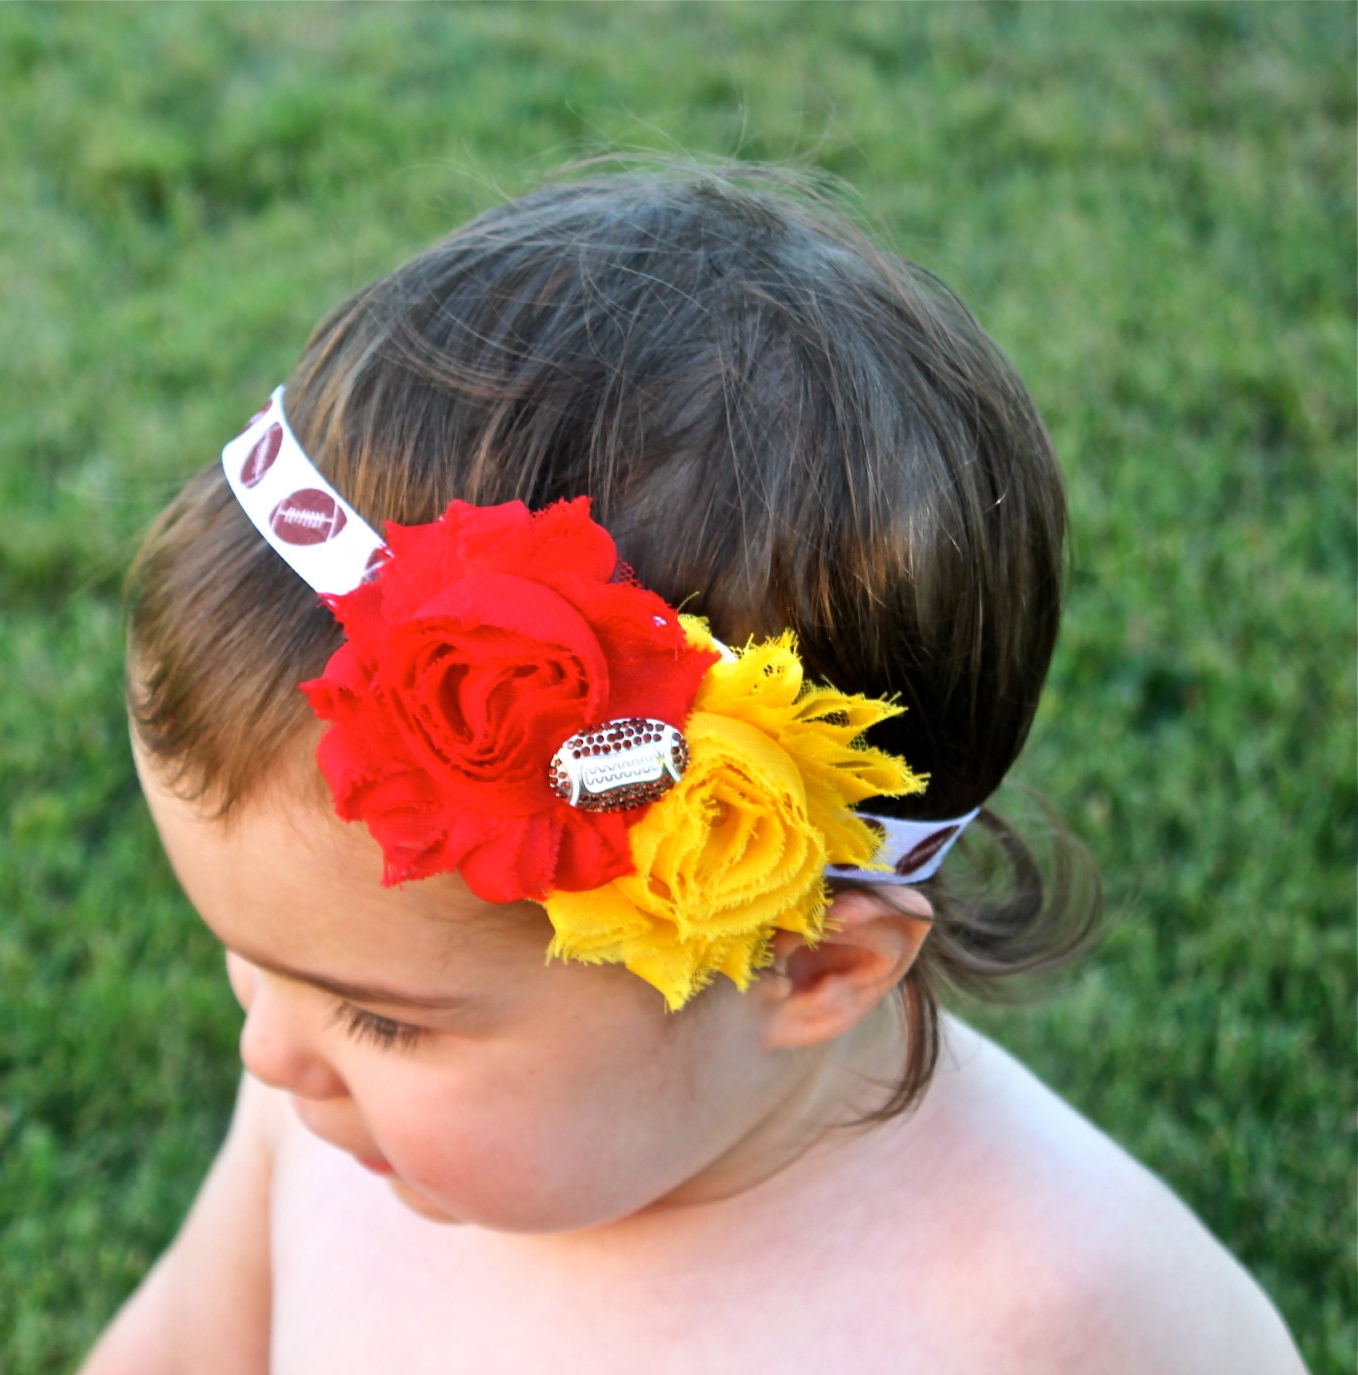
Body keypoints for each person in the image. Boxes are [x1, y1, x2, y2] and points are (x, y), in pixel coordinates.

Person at [80, 167, 1305, 1374]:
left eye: (379, 1016)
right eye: (256, 961)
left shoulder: (1061, 1315)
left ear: (811, 964)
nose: (268, 1050)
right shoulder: (332, 1116)